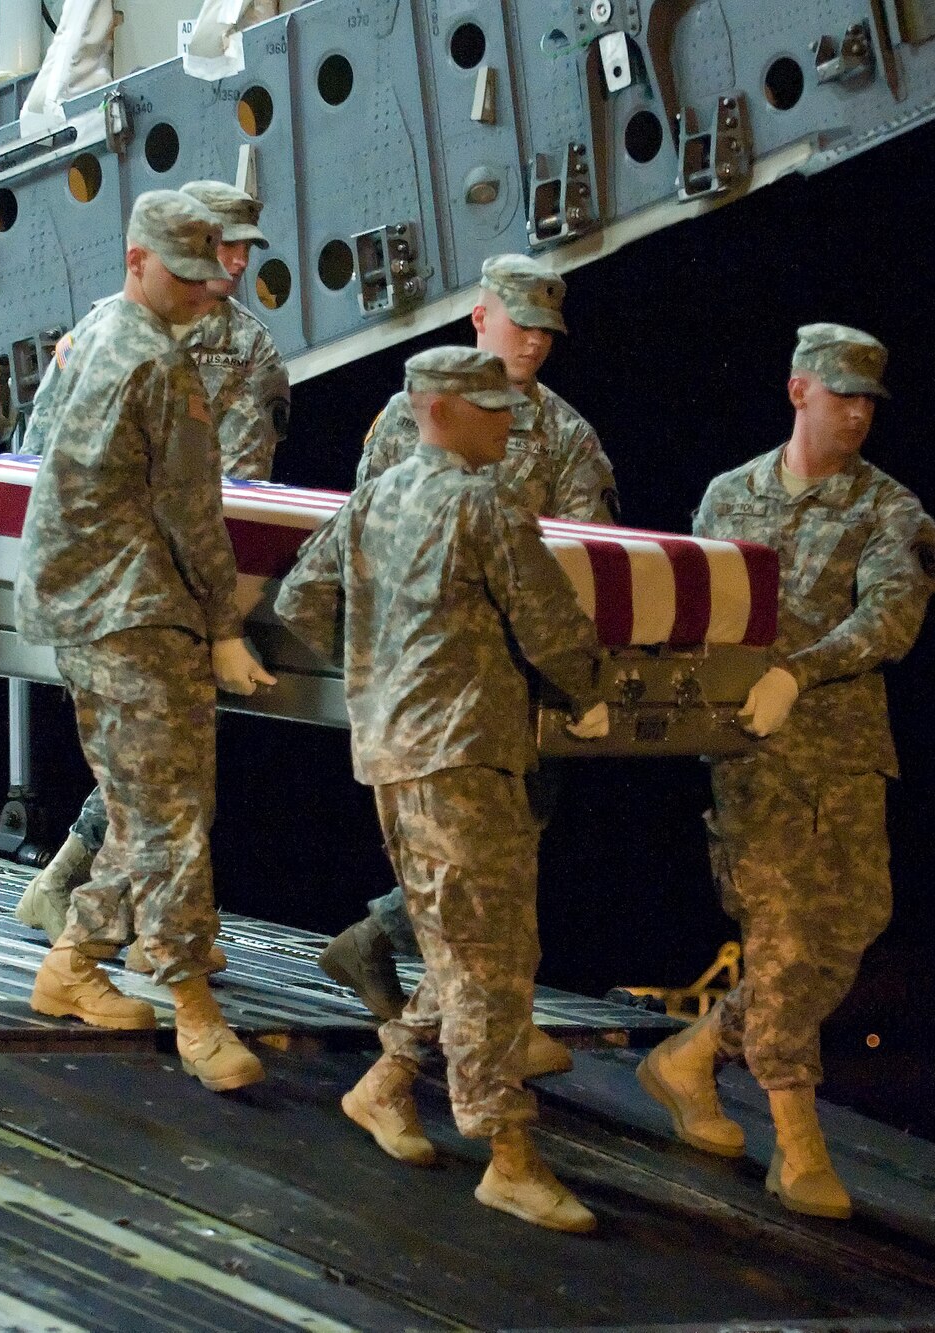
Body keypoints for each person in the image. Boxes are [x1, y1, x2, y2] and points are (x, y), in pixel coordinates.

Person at [274, 346, 609, 1231]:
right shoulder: (483, 506)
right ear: (442, 411)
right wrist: (590, 692)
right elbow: (552, 629)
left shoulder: (376, 497)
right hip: (464, 758)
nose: (509, 420)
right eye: (493, 407)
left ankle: (386, 1085)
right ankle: (509, 1154)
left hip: (396, 755)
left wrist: (378, 679)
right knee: (491, 961)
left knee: (465, 943)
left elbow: (302, 601)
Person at [636, 324, 935, 1220]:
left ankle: (690, 1059)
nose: (856, 413)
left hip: (841, 748)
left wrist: (796, 670)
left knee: (848, 927)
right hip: (752, 752)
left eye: (869, 402)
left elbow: (891, 623)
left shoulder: (891, 511)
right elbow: (691, 611)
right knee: (782, 935)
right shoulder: (727, 498)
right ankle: (797, 1138)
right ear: (799, 389)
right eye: (841, 393)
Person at [321, 253, 615, 1065]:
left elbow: (588, 556)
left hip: (513, 678)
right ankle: (457, 1030)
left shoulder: (565, 434)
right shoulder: (409, 417)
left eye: (546, 331)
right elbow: (362, 542)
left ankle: (406, 970)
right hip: (429, 683)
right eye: (520, 325)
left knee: (505, 850)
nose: (534, 345)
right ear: (479, 318)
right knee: (470, 861)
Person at [16, 189, 276, 1093]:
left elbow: (35, 458)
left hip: (98, 602)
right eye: (189, 272)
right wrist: (226, 625)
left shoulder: (94, 337)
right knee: (169, 817)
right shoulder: (156, 366)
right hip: (131, 609)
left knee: (148, 806)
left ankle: (76, 962)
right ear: (138, 261)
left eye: (212, 271)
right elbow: (193, 513)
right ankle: (194, 1009)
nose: (208, 290)